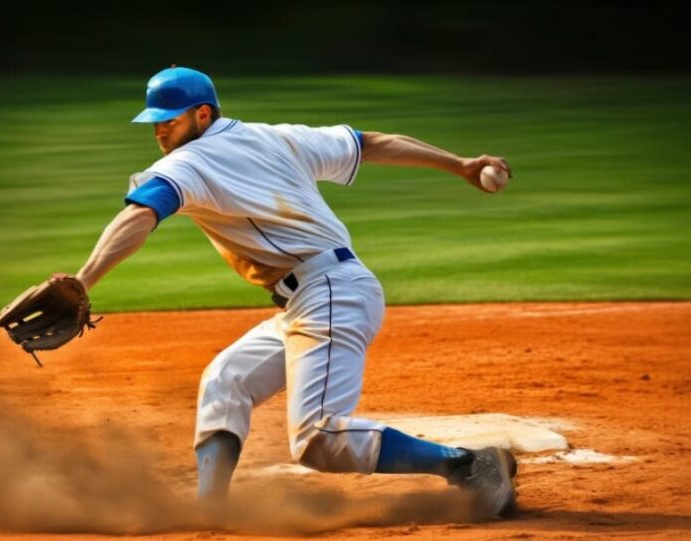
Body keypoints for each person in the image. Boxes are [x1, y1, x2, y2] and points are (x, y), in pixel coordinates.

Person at [74, 66, 517, 518]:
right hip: (320, 294)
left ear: (202, 114)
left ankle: (471, 466)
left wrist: (84, 280)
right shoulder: (276, 137)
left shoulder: (189, 163)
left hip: (328, 292)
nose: (159, 129)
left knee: (318, 440)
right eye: (154, 120)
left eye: (168, 118)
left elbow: (140, 215)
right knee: (225, 381)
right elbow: (371, 143)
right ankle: (210, 508)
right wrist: (459, 164)